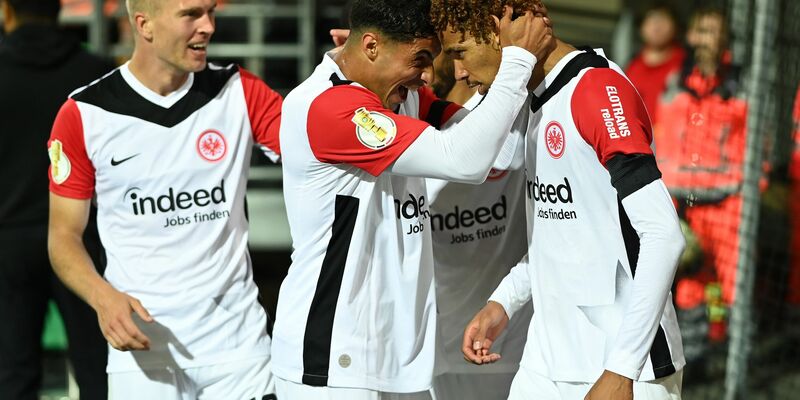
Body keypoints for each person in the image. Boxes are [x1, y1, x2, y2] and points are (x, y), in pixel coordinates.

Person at [272, 0, 555, 398]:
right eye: (420, 59)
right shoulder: (328, 107)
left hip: (401, 360)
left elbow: (502, 152)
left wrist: (494, 70)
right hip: (335, 363)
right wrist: (517, 60)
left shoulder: (402, 96)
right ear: (371, 46)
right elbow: (465, 160)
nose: (428, 76)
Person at [431, 0, 686, 398]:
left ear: (500, 29)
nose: (459, 71)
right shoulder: (534, 99)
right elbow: (559, 233)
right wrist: (504, 301)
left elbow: (663, 235)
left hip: (623, 369)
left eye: (460, 52)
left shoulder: (596, 89)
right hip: (545, 363)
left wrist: (621, 369)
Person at [46, 0, 282, 398]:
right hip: (141, 352)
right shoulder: (84, 114)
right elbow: (63, 236)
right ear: (145, 25)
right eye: (191, 14)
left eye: (210, 12)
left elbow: (317, 147)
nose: (208, 26)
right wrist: (102, 298)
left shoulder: (239, 90)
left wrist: (349, 76)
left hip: (238, 349)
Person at [0, 1, 113, 399]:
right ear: (59, 10)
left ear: (7, 12)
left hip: (9, 242)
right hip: (83, 237)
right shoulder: (97, 73)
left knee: (13, 373)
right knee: (97, 367)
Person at [653, 7, 746, 347]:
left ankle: (736, 351)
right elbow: (666, 139)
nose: (707, 39)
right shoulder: (677, 81)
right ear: (691, 36)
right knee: (691, 282)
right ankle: (696, 352)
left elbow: (751, 142)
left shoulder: (740, 84)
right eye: (702, 31)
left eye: (714, 32)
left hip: (727, 201)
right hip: (684, 200)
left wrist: (750, 189)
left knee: (733, 285)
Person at [625, 3, 686, 124]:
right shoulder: (632, 65)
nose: (657, 27)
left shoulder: (685, 64)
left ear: (675, 27)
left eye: (663, 20)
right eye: (651, 20)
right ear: (641, 27)